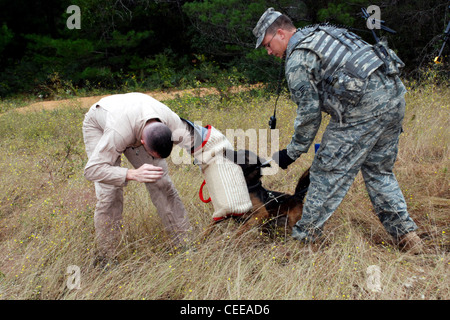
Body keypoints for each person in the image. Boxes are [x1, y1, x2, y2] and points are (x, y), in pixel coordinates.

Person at [253, 8, 423, 252]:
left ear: (280, 33)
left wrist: (290, 153)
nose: (269, 52)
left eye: (268, 45)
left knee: (326, 173)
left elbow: (309, 116)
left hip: (362, 110)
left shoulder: (298, 58)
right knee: (379, 172)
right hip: (394, 97)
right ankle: (408, 238)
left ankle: (303, 243)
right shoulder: (323, 32)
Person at [82, 92, 200, 264]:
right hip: (101, 124)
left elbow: (199, 144)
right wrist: (130, 174)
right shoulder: (118, 133)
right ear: (143, 143)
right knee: (110, 194)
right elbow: (91, 170)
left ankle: (185, 245)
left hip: (133, 120)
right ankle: (107, 258)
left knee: (162, 183)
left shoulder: (172, 121)